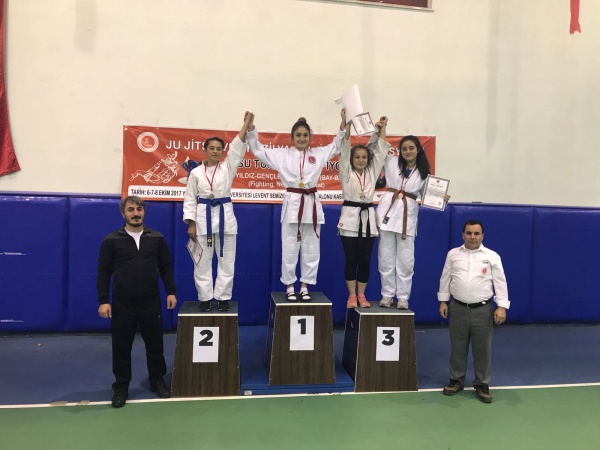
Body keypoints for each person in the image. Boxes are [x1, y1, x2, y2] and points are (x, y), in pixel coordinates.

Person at [246, 109, 346, 301]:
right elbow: (258, 150)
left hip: (311, 203)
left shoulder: (318, 154)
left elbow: (337, 145)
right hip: (292, 204)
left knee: (311, 247)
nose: (302, 138)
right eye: (298, 135)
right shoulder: (281, 155)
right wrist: (251, 129)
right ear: (292, 138)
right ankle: (290, 285)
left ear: (310, 137)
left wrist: (343, 122)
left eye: (305, 135)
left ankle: (305, 285)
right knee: (289, 247)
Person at [97, 195, 177, 408]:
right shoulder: (111, 240)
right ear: (123, 214)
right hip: (123, 303)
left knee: (155, 345)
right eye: (131, 210)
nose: (135, 213)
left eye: (139, 209)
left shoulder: (157, 238)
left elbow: (166, 267)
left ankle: (157, 380)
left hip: (151, 301)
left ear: (144, 212)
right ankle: (121, 387)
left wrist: (171, 291)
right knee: (121, 347)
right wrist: (103, 300)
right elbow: (104, 272)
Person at [182, 113, 253, 312]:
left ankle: (222, 298)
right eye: (212, 148)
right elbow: (190, 198)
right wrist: (191, 223)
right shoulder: (195, 173)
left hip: (225, 220)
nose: (215, 151)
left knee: (227, 261)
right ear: (205, 150)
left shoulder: (227, 168)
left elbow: (237, 148)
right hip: (202, 219)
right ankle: (205, 298)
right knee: (202, 262)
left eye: (219, 148)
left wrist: (246, 125)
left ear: (222, 151)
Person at [438, 219, 509, 403]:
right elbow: (445, 278)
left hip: (483, 310)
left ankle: (482, 384)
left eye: (476, 233)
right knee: (458, 347)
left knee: (482, 349)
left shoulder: (492, 256)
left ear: (482, 236)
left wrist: (502, 306)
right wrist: (443, 301)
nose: (472, 237)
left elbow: (500, 282)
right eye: (469, 233)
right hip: (457, 308)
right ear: (463, 235)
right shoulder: (453, 254)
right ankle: (456, 380)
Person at [375, 134, 443, 309]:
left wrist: (441, 198)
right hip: (387, 216)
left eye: (411, 148)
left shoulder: (423, 173)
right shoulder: (391, 162)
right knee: (385, 259)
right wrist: (382, 130)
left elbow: (430, 197)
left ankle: (403, 297)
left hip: (407, 219)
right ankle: (387, 294)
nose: (407, 151)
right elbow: (380, 148)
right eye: (404, 148)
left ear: (418, 149)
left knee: (405, 261)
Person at [338, 116, 389, 308]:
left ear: (368, 160)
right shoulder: (346, 172)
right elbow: (344, 148)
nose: (360, 160)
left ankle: (362, 295)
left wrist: (383, 128)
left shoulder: (372, 172)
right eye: (357, 157)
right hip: (349, 221)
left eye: (364, 157)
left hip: (368, 220)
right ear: (351, 159)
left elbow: (381, 150)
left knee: (365, 260)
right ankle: (352, 295)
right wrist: (347, 125)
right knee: (351, 259)